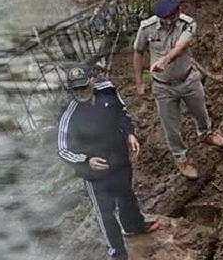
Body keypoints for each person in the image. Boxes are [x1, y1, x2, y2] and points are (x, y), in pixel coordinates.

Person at [57, 64, 160, 259]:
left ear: (92, 81)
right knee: (106, 213)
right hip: (94, 173)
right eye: (75, 90)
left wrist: (130, 133)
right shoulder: (68, 112)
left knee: (127, 195)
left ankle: (134, 226)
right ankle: (117, 253)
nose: (80, 93)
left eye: (83, 87)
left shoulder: (108, 90)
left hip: (119, 158)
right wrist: (86, 160)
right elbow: (62, 149)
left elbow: (122, 113)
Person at [132, 0, 223, 181]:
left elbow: (182, 45)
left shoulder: (187, 23)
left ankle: (206, 133)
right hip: (163, 86)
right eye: (164, 18)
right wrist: (139, 82)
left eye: (171, 17)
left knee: (200, 111)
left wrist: (165, 60)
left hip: (188, 78)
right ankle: (181, 158)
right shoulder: (147, 27)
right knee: (171, 126)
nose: (168, 21)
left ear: (178, 12)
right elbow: (138, 52)